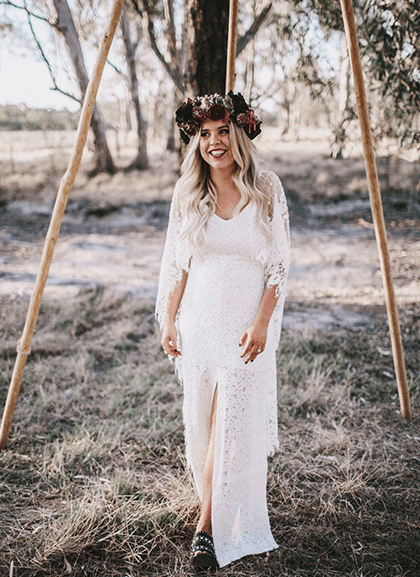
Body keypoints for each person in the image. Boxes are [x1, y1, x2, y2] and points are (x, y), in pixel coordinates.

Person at [155, 92, 291, 569]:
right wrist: (169, 317)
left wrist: (261, 322)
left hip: (245, 329)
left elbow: (278, 265)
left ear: (239, 135)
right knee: (204, 426)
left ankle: (206, 530)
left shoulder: (267, 188)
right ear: (197, 141)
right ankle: (212, 504)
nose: (214, 143)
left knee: (228, 423)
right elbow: (177, 263)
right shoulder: (188, 193)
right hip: (200, 323)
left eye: (222, 133)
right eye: (205, 134)